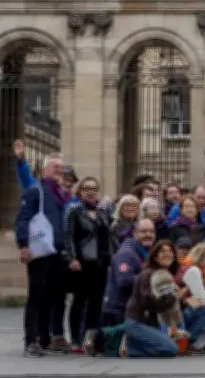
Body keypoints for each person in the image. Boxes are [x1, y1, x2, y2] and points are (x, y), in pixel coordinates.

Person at [15, 152, 70, 357]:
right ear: (45, 169)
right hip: (39, 252)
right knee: (36, 297)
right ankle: (31, 340)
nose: (60, 170)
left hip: (57, 252)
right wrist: (23, 245)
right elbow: (23, 219)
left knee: (51, 296)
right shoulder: (35, 190)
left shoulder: (61, 194)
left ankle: (44, 338)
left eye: (61, 167)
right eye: (56, 167)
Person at [121, 240, 205, 357]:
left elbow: (171, 301)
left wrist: (182, 300)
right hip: (140, 322)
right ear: (155, 257)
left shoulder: (166, 273)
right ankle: (129, 347)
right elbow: (148, 303)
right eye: (163, 251)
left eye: (170, 251)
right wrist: (174, 298)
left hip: (159, 322)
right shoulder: (148, 274)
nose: (168, 254)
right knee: (170, 349)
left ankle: (185, 344)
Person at [64, 176, 113, 353]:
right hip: (82, 263)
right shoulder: (74, 210)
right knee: (79, 302)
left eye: (94, 188)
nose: (91, 191)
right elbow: (68, 236)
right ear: (80, 191)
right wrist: (72, 258)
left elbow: (107, 237)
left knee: (96, 302)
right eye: (87, 188)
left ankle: (90, 338)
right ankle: (75, 338)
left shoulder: (102, 212)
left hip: (100, 264)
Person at [101, 220, 156, 327]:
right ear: (135, 233)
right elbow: (124, 281)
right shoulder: (127, 253)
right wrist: (151, 278)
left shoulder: (144, 253)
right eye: (144, 231)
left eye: (151, 231)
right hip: (117, 312)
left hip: (131, 310)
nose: (148, 235)